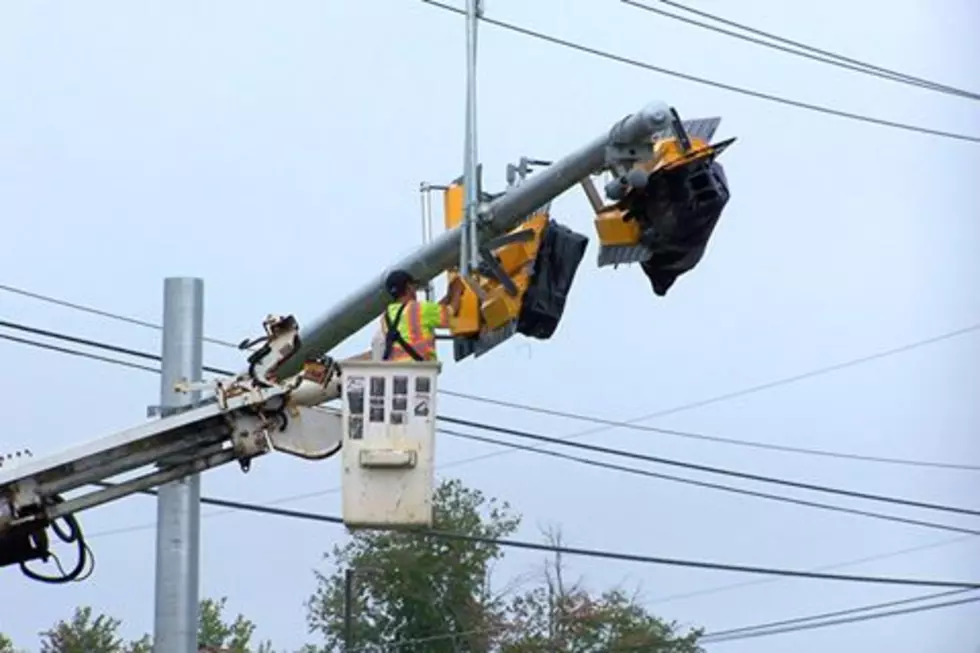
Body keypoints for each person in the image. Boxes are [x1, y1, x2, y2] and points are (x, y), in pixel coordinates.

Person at [379, 269, 463, 362]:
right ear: (409, 287)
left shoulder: (386, 316)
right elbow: (450, 314)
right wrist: (458, 289)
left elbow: (432, 312)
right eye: (414, 286)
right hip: (420, 368)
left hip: (397, 371)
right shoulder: (419, 309)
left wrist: (448, 296)